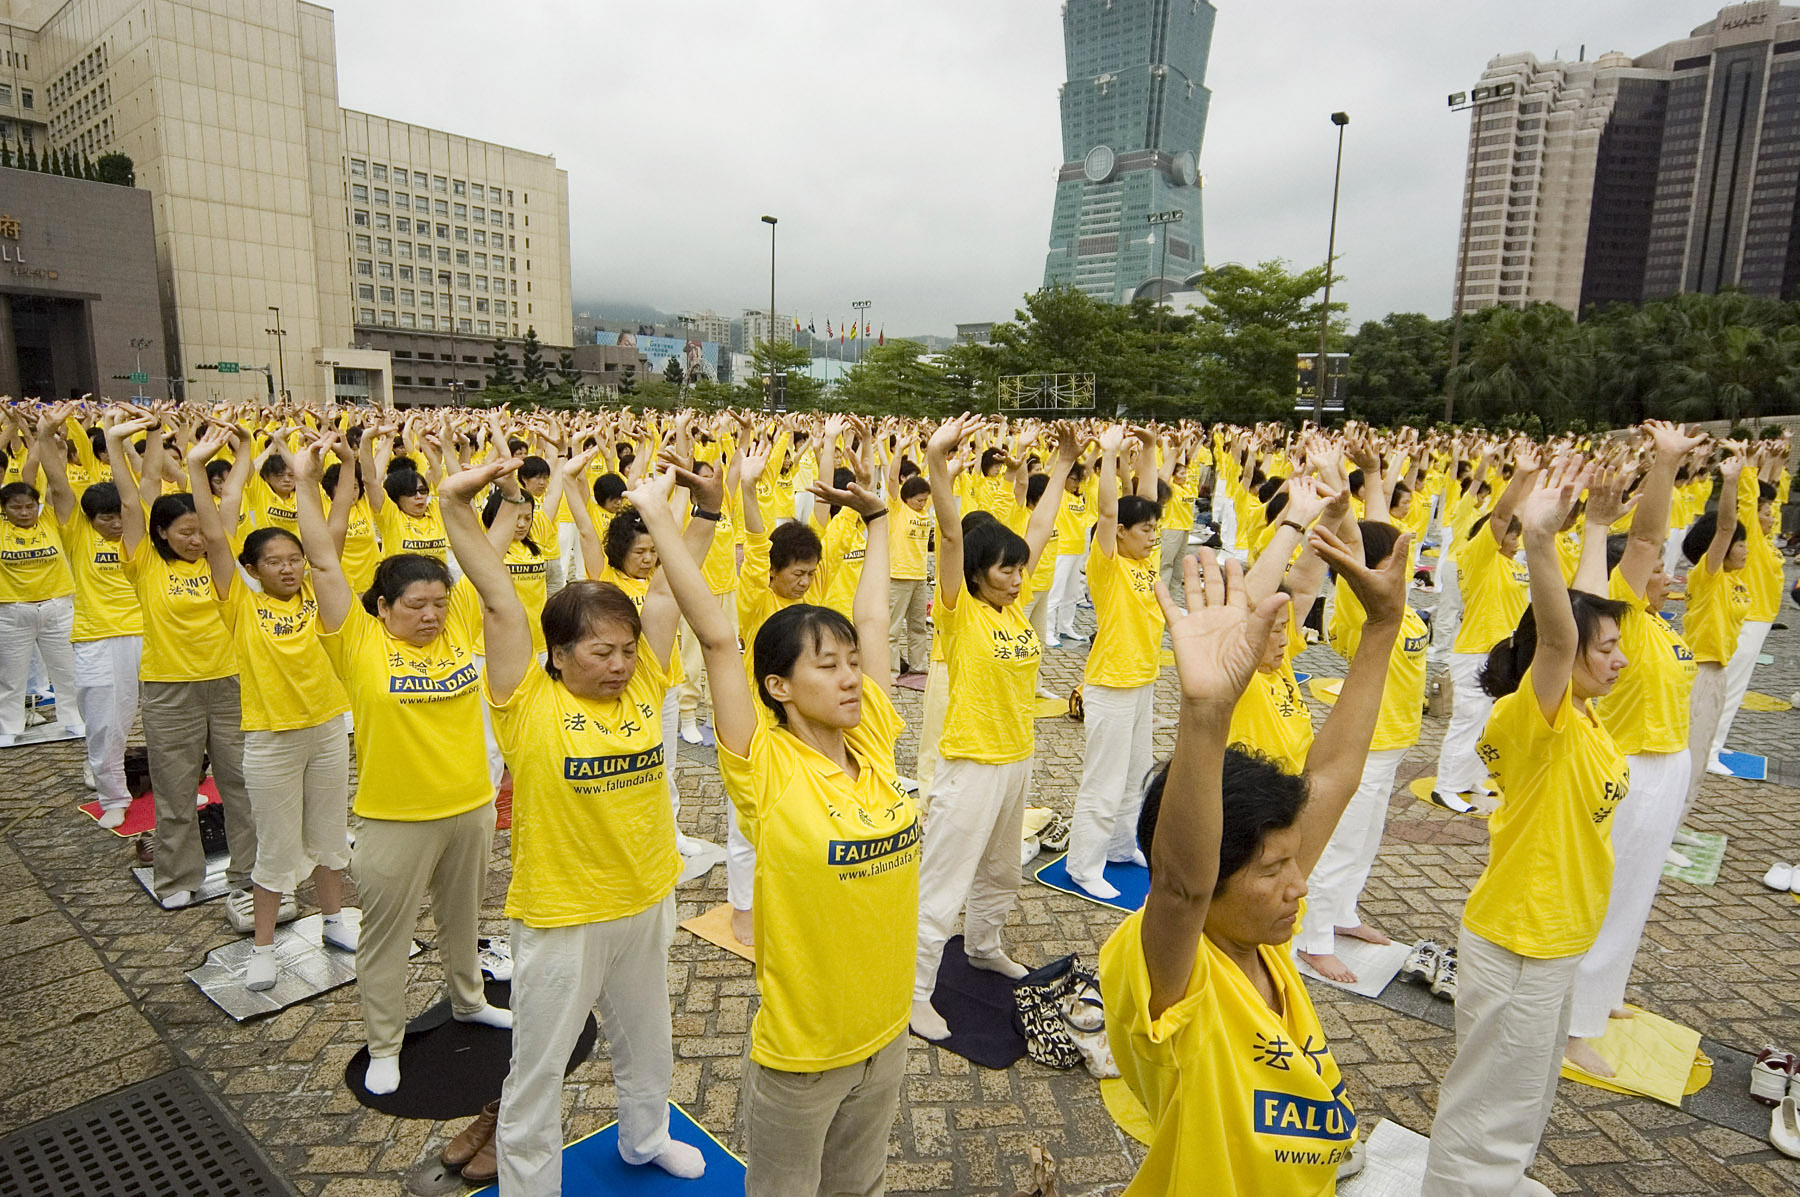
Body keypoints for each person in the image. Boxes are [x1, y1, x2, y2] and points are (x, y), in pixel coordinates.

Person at [1099, 531, 1408, 1195]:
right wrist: (1206, 712)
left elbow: (1334, 775)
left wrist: (1383, 626)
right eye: (1271, 871)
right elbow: (1179, 888)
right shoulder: (1175, 971)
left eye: (1292, 864)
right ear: (1211, 882)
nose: (1299, 887)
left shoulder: (1258, 932)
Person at [442, 453, 714, 1193]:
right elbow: (498, 601)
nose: (621, 663)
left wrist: (705, 510)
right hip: (563, 913)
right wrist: (456, 505)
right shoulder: (527, 700)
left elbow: (669, 591)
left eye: (626, 649)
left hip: (646, 896)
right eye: (601, 652)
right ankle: (531, 1182)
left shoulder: (643, 681)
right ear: (558, 655)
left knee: (648, 1039)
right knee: (538, 1065)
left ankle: (645, 1136)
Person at [648, 450, 908, 1196]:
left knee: (860, 1187)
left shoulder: (873, 738)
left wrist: (879, 518)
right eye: (827, 666)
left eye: (852, 663)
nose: (851, 677)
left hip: (886, 1032)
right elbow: (716, 637)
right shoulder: (763, 765)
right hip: (805, 1055)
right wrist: (668, 515)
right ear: (779, 685)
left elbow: (873, 616)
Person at [1423, 456, 1631, 1196]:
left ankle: (1497, 1183)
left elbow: (1582, 618)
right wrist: (1540, 541)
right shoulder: (1536, 722)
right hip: (1520, 938)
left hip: (1554, 937)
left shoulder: (1584, 714)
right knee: (1490, 1106)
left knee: (1526, 1093)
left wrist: (1596, 527)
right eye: (1607, 650)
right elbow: (1560, 639)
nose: (1621, 659)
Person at [298, 434, 512, 1098]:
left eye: (437, 603)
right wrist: (307, 481)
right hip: (394, 818)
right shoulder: (358, 641)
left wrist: (501, 486)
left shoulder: (457, 625)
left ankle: (469, 1000)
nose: (430, 615)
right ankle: (385, 1044)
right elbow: (324, 562)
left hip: (470, 806)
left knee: (463, 920)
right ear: (383, 607)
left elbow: (490, 550)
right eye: (415, 605)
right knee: (386, 939)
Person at [910, 416, 1075, 1041]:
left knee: (1002, 870)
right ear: (978, 573)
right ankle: (913, 992)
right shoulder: (962, 615)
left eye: (1019, 570)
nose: (1015, 577)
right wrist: (936, 460)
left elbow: (1040, 528)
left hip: (1016, 758)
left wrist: (1062, 463)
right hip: (972, 764)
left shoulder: (1013, 611)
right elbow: (951, 533)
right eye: (1005, 570)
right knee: (943, 885)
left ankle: (983, 947)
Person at [188, 426, 355, 985]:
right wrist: (199, 467)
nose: (288, 568)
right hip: (271, 739)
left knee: (329, 833)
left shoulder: (318, 594)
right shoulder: (240, 603)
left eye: (294, 559)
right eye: (274, 561)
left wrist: (344, 463)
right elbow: (216, 536)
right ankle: (263, 947)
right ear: (253, 569)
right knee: (276, 847)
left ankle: (334, 920)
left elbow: (336, 524)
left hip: (327, 729)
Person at [1568, 423, 1706, 1076]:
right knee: (1605, 891)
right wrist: (1667, 465)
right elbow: (1647, 538)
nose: (1667, 575)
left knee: (1636, 890)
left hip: (1667, 764)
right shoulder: (1620, 615)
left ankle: (1604, 993)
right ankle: (1573, 1023)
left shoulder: (1658, 624)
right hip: (1628, 765)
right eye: (1656, 572)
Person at [107, 410, 254, 912]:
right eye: (185, 532)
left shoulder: (219, 553)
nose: (196, 540)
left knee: (241, 784)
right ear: (162, 534)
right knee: (175, 788)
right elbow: (133, 499)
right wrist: (117, 442)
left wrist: (245, 446)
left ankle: (249, 874)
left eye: (200, 531)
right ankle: (176, 877)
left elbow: (232, 495)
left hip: (230, 684)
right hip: (170, 690)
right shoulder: (145, 562)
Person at [1066, 424, 1164, 901]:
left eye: (1155, 530)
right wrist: (1107, 455)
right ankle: (1084, 865)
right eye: (1145, 530)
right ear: (1121, 534)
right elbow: (1109, 511)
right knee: (1103, 781)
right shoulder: (1108, 564)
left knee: (1136, 774)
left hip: (1143, 680)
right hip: (1111, 683)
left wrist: (1150, 449)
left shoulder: (1145, 561)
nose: (1152, 537)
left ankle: (1123, 846)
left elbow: (1147, 500)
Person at [30, 408, 138, 820]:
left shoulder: (139, 532)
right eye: (106, 519)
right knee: (104, 723)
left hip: (150, 635)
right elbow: (58, 486)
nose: (115, 525)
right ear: (90, 519)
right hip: (98, 637)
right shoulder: (77, 533)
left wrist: (124, 440)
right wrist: (45, 436)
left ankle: (177, 789)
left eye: (120, 516)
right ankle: (113, 799)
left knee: (168, 723)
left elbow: (141, 483)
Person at [1433, 442, 1538, 811]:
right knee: (1467, 720)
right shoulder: (1480, 558)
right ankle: (1445, 786)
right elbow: (1500, 516)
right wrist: (1520, 476)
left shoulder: (1512, 564)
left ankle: (1470, 778)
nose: (1516, 540)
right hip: (1476, 651)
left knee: (1489, 721)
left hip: (1503, 651)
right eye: (1511, 534)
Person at [0, 446, 82, 747]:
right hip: (12, 611)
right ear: (4, 509)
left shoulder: (50, 520)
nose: (24, 512)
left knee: (67, 671)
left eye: (29, 506)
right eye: (16, 508)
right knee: (11, 676)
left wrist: (47, 441)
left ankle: (74, 719)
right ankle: (9, 726)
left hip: (57, 607)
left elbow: (57, 486)